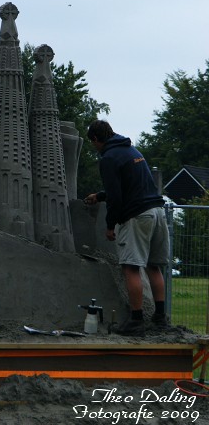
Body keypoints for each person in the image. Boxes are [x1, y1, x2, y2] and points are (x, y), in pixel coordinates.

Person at [84, 120, 170, 337]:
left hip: (137, 216)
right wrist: (99, 195)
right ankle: (160, 318)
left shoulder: (108, 158)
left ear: (95, 139)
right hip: (157, 211)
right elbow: (132, 186)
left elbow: (116, 197)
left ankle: (136, 321)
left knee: (131, 267)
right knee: (154, 266)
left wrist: (110, 225)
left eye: (93, 143)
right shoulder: (132, 150)